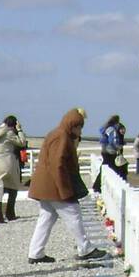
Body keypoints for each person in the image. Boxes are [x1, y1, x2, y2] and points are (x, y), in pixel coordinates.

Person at [27, 108, 107, 265]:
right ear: (72, 125)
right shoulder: (62, 137)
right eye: (79, 127)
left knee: (46, 218)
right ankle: (85, 248)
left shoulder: (56, 133)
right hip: (55, 185)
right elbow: (58, 164)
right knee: (73, 214)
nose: (80, 130)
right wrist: (64, 189)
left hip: (46, 185)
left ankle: (35, 252)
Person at [0, 114, 26, 224]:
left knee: (0, 190)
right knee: (13, 188)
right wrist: (20, 130)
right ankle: (10, 213)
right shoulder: (9, 133)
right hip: (8, 161)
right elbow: (22, 143)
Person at [92, 114, 124, 192]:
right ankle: (97, 186)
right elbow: (113, 140)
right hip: (110, 151)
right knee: (113, 168)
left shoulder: (106, 128)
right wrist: (118, 147)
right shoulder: (112, 130)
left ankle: (97, 186)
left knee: (105, 167)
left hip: (104, 150)